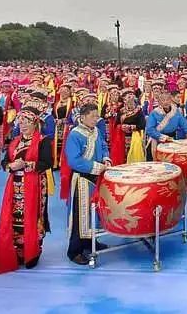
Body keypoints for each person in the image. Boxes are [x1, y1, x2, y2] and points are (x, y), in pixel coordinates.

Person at [0, 101, 52, 273]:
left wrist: (25, 164)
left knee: (33, 215)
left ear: (35, 124)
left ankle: (33, 251)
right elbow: (5, 160)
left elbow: (46, 163)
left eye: (27, 122)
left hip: (35, 185)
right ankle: (19, 251)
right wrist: (9, 166)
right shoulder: (15, 141)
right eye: (21, 121)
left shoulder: (43, 141)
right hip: (15, 184)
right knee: (16, 216)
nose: (23, 125)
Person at [64, 103, 111, 265]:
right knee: (79, 215)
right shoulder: (75, 135)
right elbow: (74, 161)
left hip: (96, 178)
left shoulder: (96, 131)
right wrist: (98, 167)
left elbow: (104, 146)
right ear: (83, 117)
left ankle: (90, 242)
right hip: (82, 180)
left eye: (97, 116)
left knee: (93, 212)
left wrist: (106, 158)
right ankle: (74, 251)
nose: (96, 119)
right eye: (93, 116)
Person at [145, 90, 187, 160]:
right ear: (159, 102)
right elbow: (150, 129)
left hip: (172, 140)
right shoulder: (154, 113)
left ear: (170, 100)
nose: (165, 102)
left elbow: (184, 123)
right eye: (163, 100)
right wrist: (162, 137)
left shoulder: (176, 111)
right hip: (157, 140)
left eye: (167, 99)